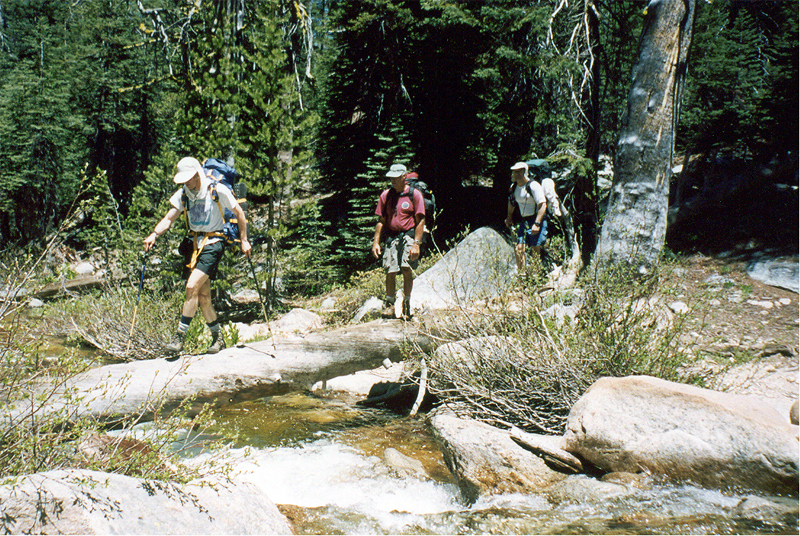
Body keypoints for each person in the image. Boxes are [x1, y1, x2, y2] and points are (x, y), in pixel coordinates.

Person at [143, 156, 251, 356]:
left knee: (191, 287)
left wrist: (244, 240)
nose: (186, 183)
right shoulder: (184, 193)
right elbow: (169, 217)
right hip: (194, 245)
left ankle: (179, 338)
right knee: (203, 297)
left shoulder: (217, 190)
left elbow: (239, 213)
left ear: (197, 174)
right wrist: (154, 234)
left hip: (214, 243)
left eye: (189, 179)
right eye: (183, 180)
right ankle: (218, 339)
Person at [371, 163, 425, 320]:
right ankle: (389, 304)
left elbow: (420, 220)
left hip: (408, 236)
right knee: (390, 270)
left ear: (404, 177)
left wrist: (416, 243)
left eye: (395, 178)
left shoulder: (414, 195)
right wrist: (376, 242)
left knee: (406, 268)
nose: (392, 181)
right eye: (391, 178)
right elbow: (381, 220)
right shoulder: (386, 195)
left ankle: (407, 304)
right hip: (391, 236)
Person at [504, 161, 548, 272]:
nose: (515, 174)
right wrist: (509, 217)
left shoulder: (533, 186)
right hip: (524, 221)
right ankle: (522, 275)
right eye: (514, 172)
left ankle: (536, 276)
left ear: (525, 172)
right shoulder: (514, 187)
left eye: (519, 171)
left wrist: (537, 223)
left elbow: (542, 204)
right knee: (519, 249)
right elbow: (512, 202)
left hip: (535, 219)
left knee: (535, 249)